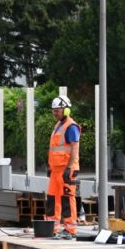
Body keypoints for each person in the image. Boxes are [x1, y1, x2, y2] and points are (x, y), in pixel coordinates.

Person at [46, 95, 80, 239]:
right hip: (55, 169)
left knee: (67, 198)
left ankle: (70, 230)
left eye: (58, 110)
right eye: (54, 110)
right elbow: (54, 148)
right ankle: (52, 228)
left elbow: (74, 149)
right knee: (53, 198)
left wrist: (69, 167)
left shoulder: (71, 127)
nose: (55, 113)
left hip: (66, 169)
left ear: (66, 110)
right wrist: (50, 166)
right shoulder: (58, 126)